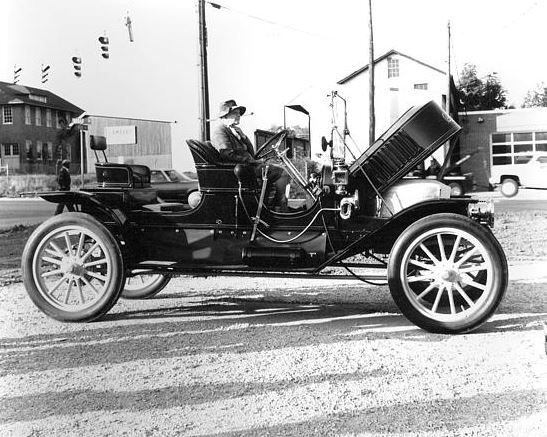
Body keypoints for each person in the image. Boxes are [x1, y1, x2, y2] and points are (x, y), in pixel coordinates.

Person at [212, 99, 289, 212]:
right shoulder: (220, 131)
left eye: (239, 114)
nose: (239, 116)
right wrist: (254, 162)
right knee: (282, 173)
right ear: (225, 116)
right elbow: (227, 154)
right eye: (235, 113)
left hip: (247, 167)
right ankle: (278, 207)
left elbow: (252, 153)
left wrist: (243, 137)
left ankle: (269, 206)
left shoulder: (234, 131)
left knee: (279, 170)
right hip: (240, 170)